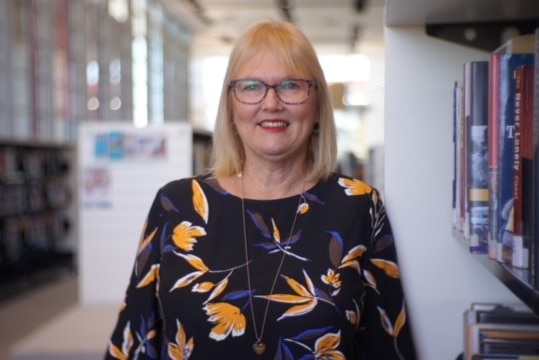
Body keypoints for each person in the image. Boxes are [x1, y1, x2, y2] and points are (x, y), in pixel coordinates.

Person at [105, 21, 417, 359]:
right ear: (231, 107)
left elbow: (389, 346)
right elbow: (134, 340)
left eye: (291, 85)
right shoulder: (176, 206)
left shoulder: (358, 206)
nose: (271, 103)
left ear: (316, 107)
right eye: (252, 86)